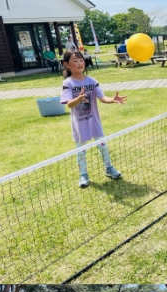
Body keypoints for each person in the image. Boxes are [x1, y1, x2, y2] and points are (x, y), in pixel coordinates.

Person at [60, 50, 126, 188]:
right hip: (80, 124)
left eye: (81, 60)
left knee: (103, 147)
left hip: (94, 121)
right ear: (67, 64)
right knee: (81, 151)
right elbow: (69, 104)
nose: (79, 63)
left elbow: (102, 98)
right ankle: (83, 175)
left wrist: (112, 100)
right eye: (75, 61)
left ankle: (109, 168)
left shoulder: (92, 81)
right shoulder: (68, 83)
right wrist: (77, 98)